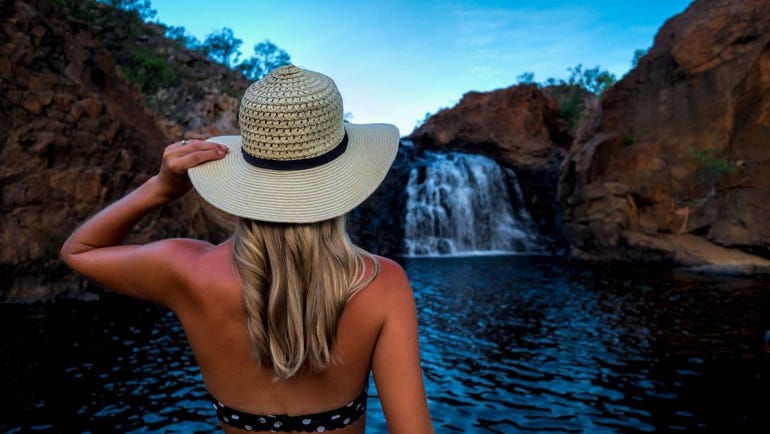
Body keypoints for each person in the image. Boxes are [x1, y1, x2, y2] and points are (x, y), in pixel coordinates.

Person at [60, 65, 434, 434]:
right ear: (342, 175)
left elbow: (80, 250)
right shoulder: (381, 284)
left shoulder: (186, 270)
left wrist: (159, 188)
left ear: (245, 169)